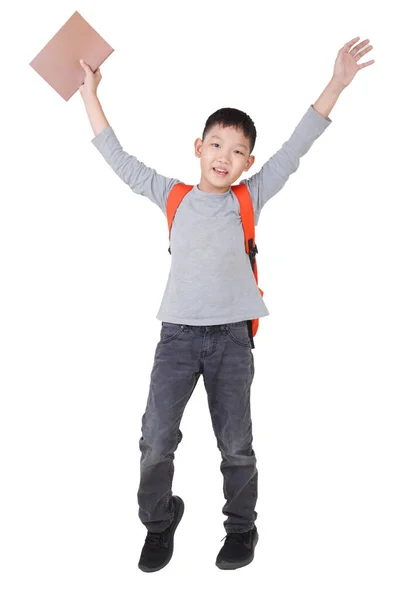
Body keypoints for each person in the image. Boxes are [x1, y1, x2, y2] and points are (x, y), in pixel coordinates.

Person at [79, 36, 374, 572]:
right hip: (178, 338)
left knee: (236, 443)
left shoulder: (249, 198)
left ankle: (242, 529)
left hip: (233, 340)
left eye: (238, 151)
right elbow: (116, 157)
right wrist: (89, 93)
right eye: (217, 144)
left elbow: (296, 148)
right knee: (155, 439)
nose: (226, 157)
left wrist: (336, 83)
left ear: (248, 162)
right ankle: (159, 521)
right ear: (198, 147)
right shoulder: (170, 195)